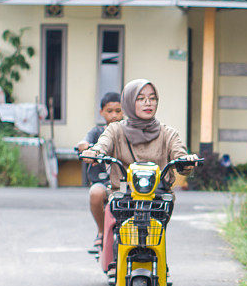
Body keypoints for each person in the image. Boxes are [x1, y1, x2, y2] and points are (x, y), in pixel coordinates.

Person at [81, 79, 199, 248]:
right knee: (121, 233)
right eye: (140, 98)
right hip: (124, 194)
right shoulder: (115, 130)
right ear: (129, 102)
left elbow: (180, 154)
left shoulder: (168, 133)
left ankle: (162, 268)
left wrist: (187, 161)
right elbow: (102, 145)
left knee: (157, 235)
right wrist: (94, 152)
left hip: (158, 196)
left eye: (152, 98)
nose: (148, 103)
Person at [76, 92, 122, 249]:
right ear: (102, 112)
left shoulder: (129, 132)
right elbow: (84, 142)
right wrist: (85, 147)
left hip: (125, 182)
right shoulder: (96, 132)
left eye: (118, 111)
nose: (114, 115)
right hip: (103, 182)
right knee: (95, 193)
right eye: (110, 111)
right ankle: (102, 231)